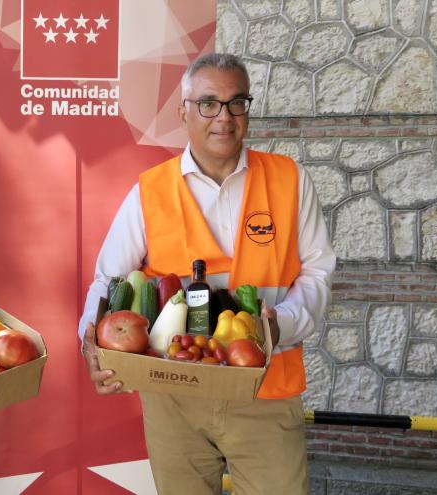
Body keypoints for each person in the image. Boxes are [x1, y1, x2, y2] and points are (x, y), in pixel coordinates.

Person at [78, 53, 336, 494]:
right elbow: (109, 278)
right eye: (208, 104)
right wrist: (90, 340)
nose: (224, 117)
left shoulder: (290, 180)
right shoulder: (150, 190)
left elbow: (317, 272)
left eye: (237, 103)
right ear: (184, 111)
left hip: (265, 390)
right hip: (173, 391)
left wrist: (278, 327)